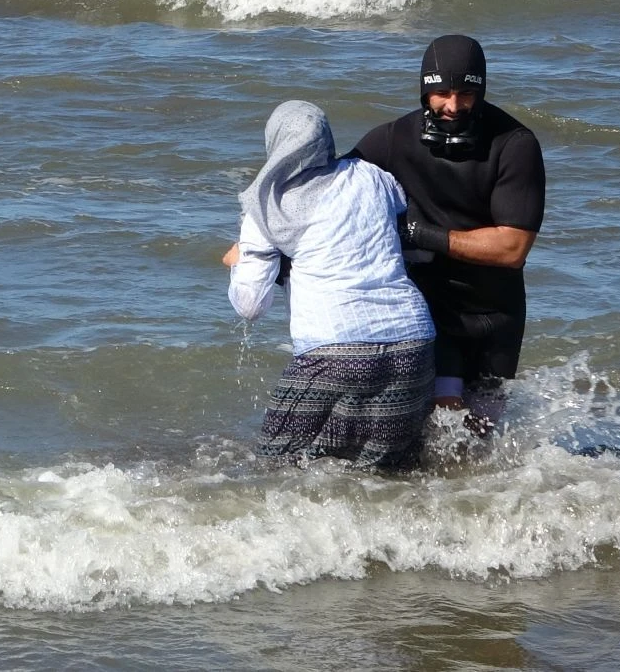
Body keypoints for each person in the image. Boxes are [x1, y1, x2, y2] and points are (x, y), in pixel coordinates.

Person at [224, 100, 436, 471]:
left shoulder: (267, 204)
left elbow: (250, 305)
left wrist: (242, 258)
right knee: (388, 478)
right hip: (412, 344)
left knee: (274, 472)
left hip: (333, 350)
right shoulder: (371, 176)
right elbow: (399, 222)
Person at [351, 35, 545, 434]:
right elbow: (328, 192)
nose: (453, 106)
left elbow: (512, 248)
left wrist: (418, 234)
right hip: (430, 309)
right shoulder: (391, 140)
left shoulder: (514, 144)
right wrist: (262, 242)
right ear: (424, 89)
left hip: (497, 313)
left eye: (466, 93)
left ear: (482, 89)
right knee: (443, 419)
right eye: (440, 93)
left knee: (481, 437)